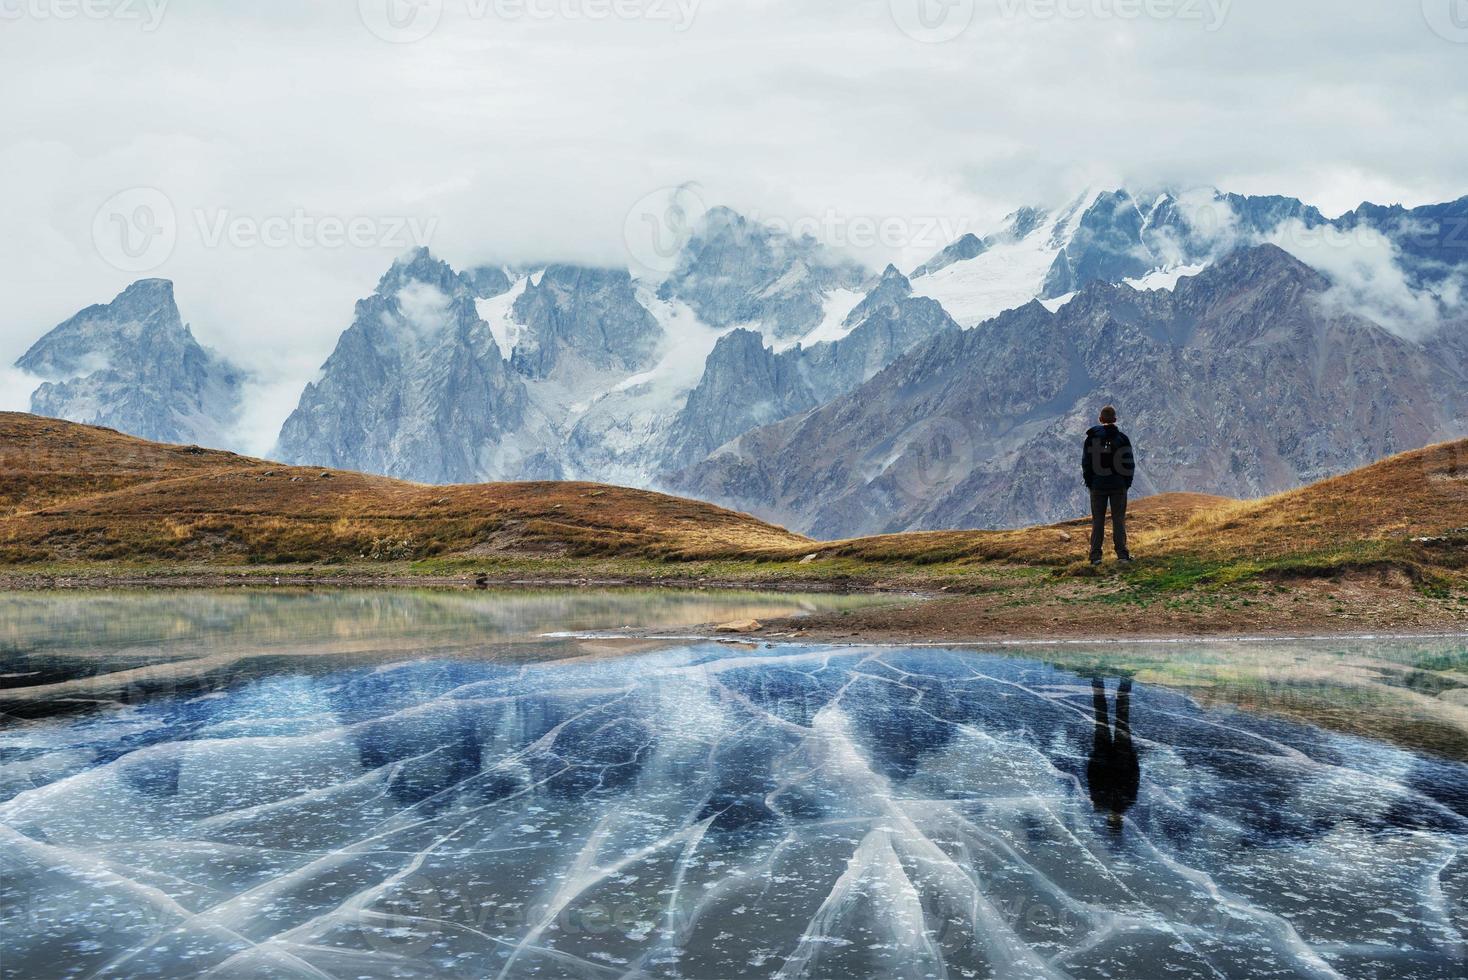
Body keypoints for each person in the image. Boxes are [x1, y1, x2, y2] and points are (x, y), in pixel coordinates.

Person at [1082, 405, 1135, 564]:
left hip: (1097, 486)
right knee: (1118, 520)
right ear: (1115, 420)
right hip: (1118, 485)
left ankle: (1095, 557)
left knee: (1098, 521)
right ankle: (1122, 555)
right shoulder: (1122, 439)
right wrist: (1126, 483)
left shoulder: (1091, 438)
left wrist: (1090, 483)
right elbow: (1129, 464)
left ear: (1100, 419)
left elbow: (1086, 463)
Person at [1087, 677, 1140, 833]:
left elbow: (1092, 779)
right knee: (1113, 720)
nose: (1115, 818)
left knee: (1107, 720)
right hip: (1118, 757)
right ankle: (1117, 684)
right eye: (1116, 821)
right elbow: (1134, 778)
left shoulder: (1102, 803)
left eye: (1113, 821)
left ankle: (1104, 683)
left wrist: (1094, 758)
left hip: (1107, 757)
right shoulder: (1121, 802)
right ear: (1120, 821)